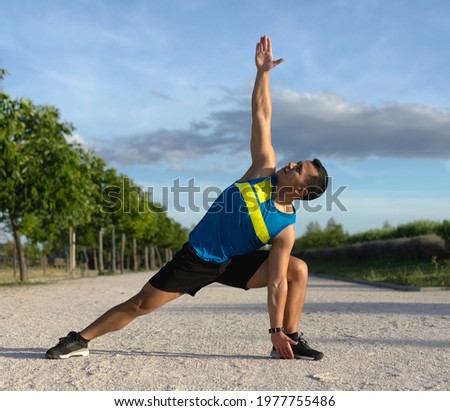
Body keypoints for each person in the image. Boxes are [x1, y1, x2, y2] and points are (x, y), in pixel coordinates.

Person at [46, 35, 328, 361]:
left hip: (233, 264)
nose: (290, 164)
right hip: (198, 257)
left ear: (301, 192)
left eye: (298, 169)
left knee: (298, 270)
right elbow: (261, 115)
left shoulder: (284, 228)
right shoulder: (262, 170)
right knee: (141, 303)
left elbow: (277, 283)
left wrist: (276, 331)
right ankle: (80, 339)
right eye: (296, 162)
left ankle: (289, 340)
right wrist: (263, 74)